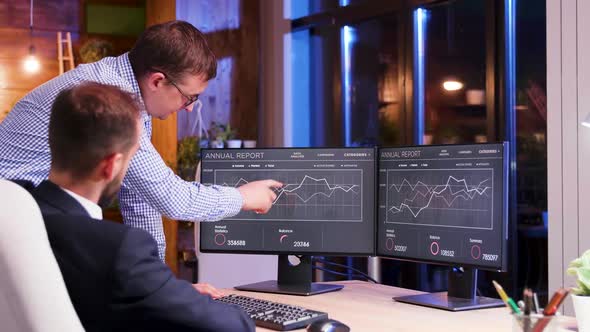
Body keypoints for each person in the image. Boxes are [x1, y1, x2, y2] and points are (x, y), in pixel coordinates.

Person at [0, 20, 281, 260]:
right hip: (14, 225)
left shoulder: (126, 91)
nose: (191, 108)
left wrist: (158, 286)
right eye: (190, 97)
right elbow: (173, 198)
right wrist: (243, 197)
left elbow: (140, 199)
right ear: (158, 81)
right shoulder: (112, 98)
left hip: (29, 222)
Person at [21, 82, 254, 331]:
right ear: (111, 166)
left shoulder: (18, 216)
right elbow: (232, 326)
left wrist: (165, 290)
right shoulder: (117, 249)